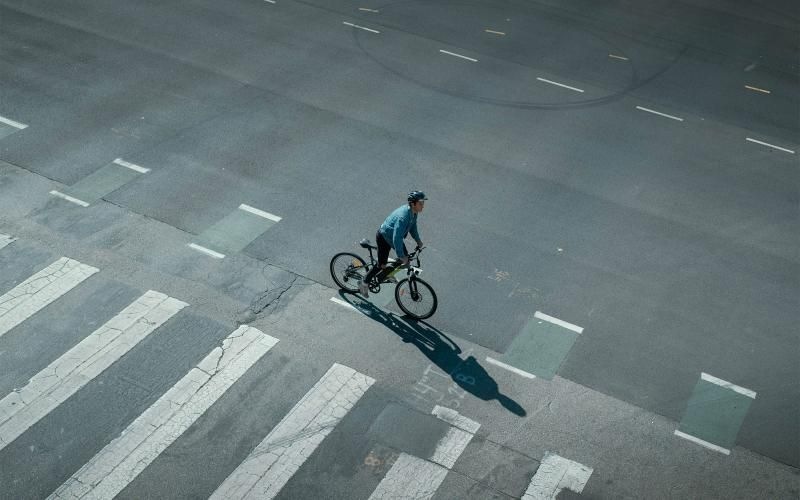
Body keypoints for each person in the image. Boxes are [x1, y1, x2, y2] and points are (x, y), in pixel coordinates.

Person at [359, 191, 427, 297]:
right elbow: (397, 239)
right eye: (421, 203)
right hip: (384, 236)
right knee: (382, 264)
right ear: (413, 204)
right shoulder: (403, 217)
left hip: (393, 237)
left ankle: (388, 273)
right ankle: (364, 282)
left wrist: (418, 240)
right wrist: (401, 255)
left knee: (405, 258)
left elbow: (413, 227)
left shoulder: (413, 213)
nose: (423, 205)